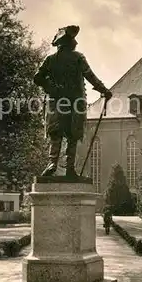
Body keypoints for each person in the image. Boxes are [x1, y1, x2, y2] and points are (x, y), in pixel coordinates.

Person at [34, 25, 112, 178]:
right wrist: (104, 90)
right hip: (75, 101)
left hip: (56, 102)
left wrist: (52, 88)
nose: (75, 43)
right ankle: (69, 168)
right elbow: (90, 76)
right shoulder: (77, 58)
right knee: (72, 135)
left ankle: (52, 164)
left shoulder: (50, 60)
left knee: (56, 134)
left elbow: (38, 78)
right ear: (68, 43)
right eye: (73, 40)